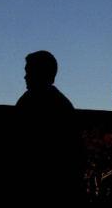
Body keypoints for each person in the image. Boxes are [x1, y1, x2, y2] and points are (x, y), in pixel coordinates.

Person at [15, 50, 79, 204]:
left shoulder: (28, 102)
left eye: (29, 71)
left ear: (40, 73)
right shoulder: (64, 105)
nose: (25, 76)